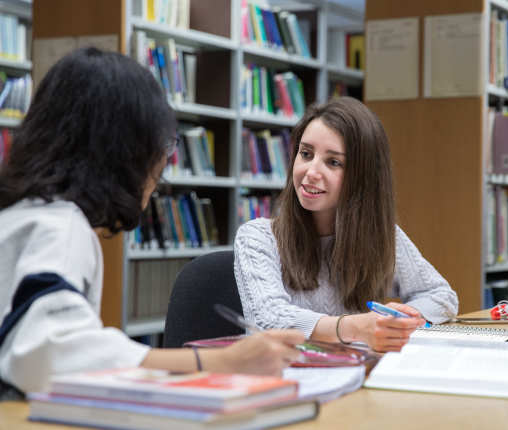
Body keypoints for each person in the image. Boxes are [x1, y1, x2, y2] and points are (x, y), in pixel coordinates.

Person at [0, 48, 303, 395]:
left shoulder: (18, 216)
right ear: (127, 152)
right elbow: (47, 353)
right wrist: (219, 363)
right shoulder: (61, 230)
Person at [234, 97, 458, 352]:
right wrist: (356, 327)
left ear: (362, 177)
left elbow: (442, 296)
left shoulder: (381, 237)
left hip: (355, 376)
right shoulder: (258, 237)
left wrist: (403, 319)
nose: (311, 172)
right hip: (285, 380)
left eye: (333, 162)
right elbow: (269, 321)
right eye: (306, 154)